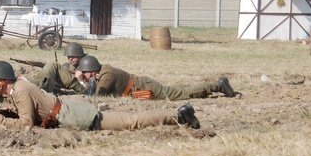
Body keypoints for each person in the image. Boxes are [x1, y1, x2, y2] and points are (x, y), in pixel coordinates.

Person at [0, 61, 200, 131]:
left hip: (73, 114)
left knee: (129, 121)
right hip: (68, 109)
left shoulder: (19, 89)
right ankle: (178, 115)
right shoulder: (17, 89)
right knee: (128, 119)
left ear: (4, 80)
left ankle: (179, 116)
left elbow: (26, 124)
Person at [75, 55, 237, 101]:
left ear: (92, 70)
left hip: (144, 87)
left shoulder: (106, 75)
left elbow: (96, 96)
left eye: (85, 73)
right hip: (142, 85)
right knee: (179, 90)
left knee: (182, 93)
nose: (85, 75)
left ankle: (217, 86)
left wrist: (82, 81)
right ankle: (212, 86)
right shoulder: (103, 71)